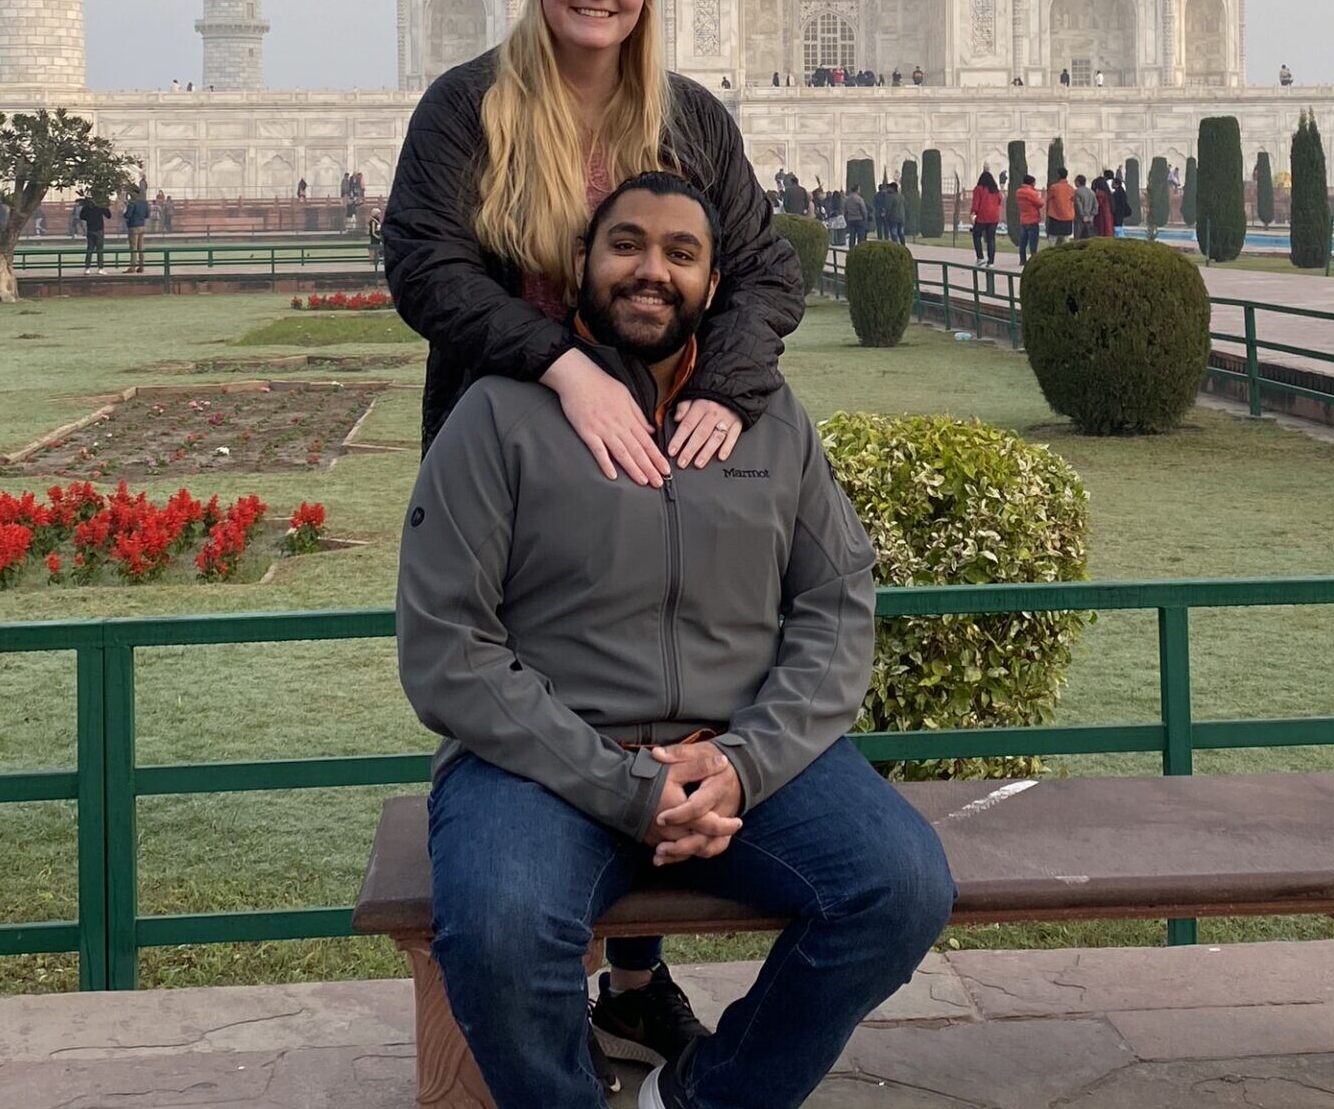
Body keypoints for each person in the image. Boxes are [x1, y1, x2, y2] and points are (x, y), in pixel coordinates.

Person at [397, 173, 952, 1109]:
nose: (650, 272)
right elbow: (449, 645)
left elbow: (836, 599)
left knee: (899, 886)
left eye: (679, 254)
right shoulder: (498, 417)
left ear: (713, 281)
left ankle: (701, 1099)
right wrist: (628, 784)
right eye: (625, 247)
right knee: (497, 929)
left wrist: (744, 761)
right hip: (547, 766)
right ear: (580, 268)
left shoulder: (768, 421)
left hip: (741, 757)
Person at [383, 0, 806, 1051]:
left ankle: (629, 982)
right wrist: (562, 366)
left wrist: (726, 382)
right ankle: (545, 955)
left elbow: (765, 270)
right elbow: (424, 266)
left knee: (660, 678)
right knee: (528, 684)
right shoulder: (469, 108)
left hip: (667, 443)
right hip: (514, 451)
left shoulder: (688, 119)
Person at [968, 170, 1002, 265]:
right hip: (994, 217)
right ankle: (991, 262)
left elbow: (975, 204)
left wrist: (973, 213)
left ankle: (980, 257)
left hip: (983, 216)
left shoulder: (978, 189)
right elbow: (1000, 200)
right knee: (991, 239)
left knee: (976, 235)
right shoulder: (995, 190)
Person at [1014, 173, 1043, 263]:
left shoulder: (1018, 192)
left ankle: (1022, 260)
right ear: (1031, 183)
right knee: (1033, 242)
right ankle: (1033, 259)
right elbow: (1040, 203)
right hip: (1033, 219)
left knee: (1023, 242)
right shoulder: (1032, 193)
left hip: (1023, 219)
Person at [123, 187, 151, 272]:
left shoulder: (132, 203)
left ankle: (132, 266)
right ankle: (141, 266)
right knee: (141, 247)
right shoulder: (144, 203)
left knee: (133, 247)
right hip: (142, 226)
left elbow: (128, 215)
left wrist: (125, 210)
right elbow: (147, 215)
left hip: (133, 226)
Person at [78, 192, 109, 269]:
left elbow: (82, 216)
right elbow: (108, 215)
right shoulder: (99, 206)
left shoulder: (86, 207)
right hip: (99, 229)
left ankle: (87, 268)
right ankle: (100, 268)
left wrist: (89, 218)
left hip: (90, 229)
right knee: (100, 250)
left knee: (90, 249)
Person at [1045, 170, 1076, 244]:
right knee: (1066, 239)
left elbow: (1048, 199)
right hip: (1067, 216)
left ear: (1058, 175)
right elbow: (1073, 200)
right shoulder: (1070, 188)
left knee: (1052, 239)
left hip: (1055, 216)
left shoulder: (1054, 187)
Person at [1072, 174, 1098, 241]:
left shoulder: (1077, 192)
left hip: (1080, 218)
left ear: (1078, 182)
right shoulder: (1091, 192)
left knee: (1078, 238)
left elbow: (1078, 205)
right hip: (1090, 218)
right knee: (1088, 238)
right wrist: (1092, 215)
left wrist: (1083, 216)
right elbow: (1096, 205)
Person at [881, 179, 906, 245]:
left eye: (889, 187)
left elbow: (888, 208)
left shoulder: (890, 197)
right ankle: (903, 245)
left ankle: (896, 246)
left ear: (892, 188)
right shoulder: (901, 196)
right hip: (901, 217)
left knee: (894, 233)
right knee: (901, 233)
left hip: (893, 218)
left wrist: (886, 216)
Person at [1094, 170, 1115, 239]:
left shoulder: (1100, 194)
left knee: (1102, 232)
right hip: (1108, 215)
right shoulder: (1108, 193)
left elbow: (1097, 205)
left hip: (1102, 216)